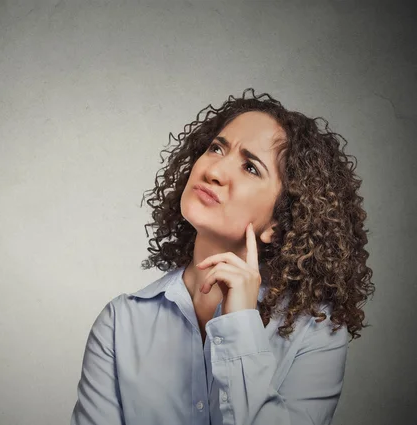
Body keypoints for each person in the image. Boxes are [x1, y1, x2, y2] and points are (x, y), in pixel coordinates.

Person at [70, 89, 375, 425]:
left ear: (279, 221)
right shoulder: (120, 323)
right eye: (217, 148)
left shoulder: (317, 331)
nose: (214, 170)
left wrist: (241, 325)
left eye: (251, 167)